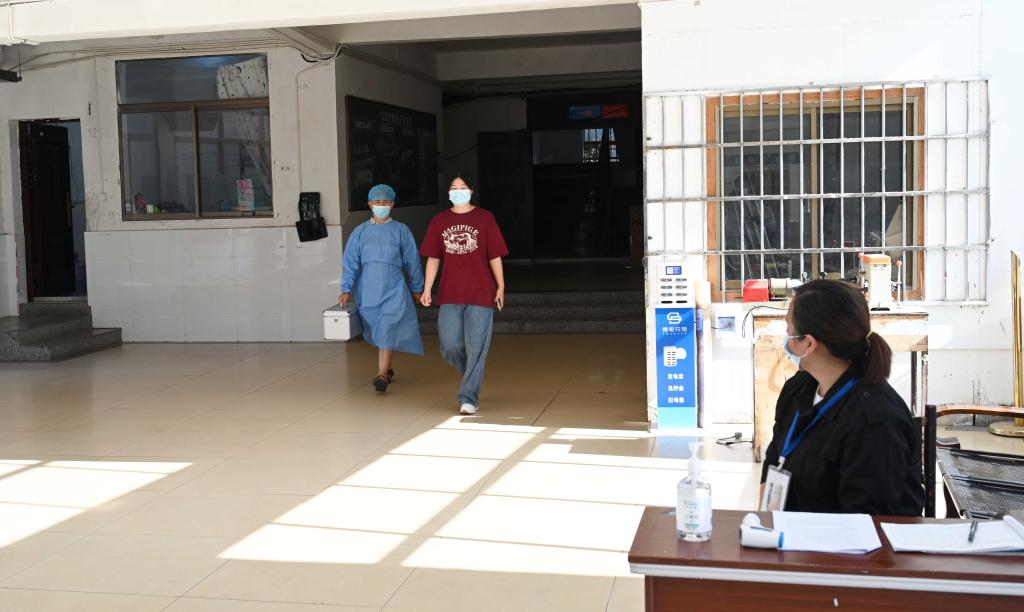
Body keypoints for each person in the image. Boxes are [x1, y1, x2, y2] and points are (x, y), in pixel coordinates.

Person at [760, 279, 924, 515]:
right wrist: (765, 523)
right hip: (794, 531)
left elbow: (866, 522)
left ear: (809, 343)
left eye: (788, 328)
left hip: (847, 537)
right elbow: (774, 458)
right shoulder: (799, 388)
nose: (786, 335)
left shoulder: (874, 421)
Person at [419, 172, 508, 415]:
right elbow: (433, 257)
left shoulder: (485, 218)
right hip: (450, 293)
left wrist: (500, 286)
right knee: (449, 345)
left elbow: (495, 255)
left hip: (481, 292)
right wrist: (427, 288)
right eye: (453, 187)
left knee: (476, 346)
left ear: (471, 191)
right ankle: (472, 373)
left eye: (462, 187)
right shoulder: (439, 221)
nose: (457, 191)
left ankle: (468, 397)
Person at [339, 184, 424, 392]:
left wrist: (417, 288)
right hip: (368, 291)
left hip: (394, 289)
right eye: (377, 202)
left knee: (386, 329)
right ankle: (387, 367)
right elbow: (350, 262)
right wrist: (346, 288)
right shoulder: (360, 233)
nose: (381, 205)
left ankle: (382, 375)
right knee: (379, 331)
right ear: (370, 204)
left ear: (392, 204)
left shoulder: (401, 231)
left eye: (385, 202)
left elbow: (412, 261)